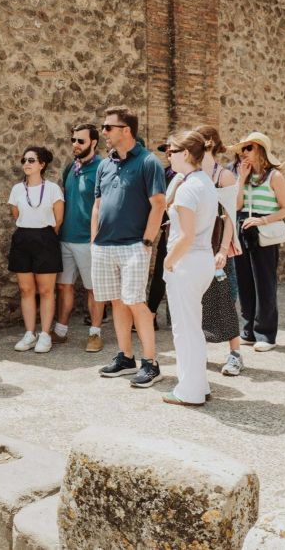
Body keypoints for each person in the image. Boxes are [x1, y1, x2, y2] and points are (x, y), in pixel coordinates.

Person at [92, 106, 167, 387]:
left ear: (126, 130)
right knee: (116, 301)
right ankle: (126, 357)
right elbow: (97, 206)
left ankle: (151, 363)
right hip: (104, 245)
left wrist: (147, 241)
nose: (104, 132)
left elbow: (159, 204)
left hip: (134, 244)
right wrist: (94, 241)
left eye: (108, 127)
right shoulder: (104, 164)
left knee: (136, 302)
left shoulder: (149, 162)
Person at [161, 131, 218, 406]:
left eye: (170, 150)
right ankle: (198, 384)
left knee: (185, 329)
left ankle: (190, 390)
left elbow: (186, 235)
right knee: (191, 326)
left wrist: (168, 261)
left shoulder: (187, 188)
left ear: (185, 154)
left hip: (186, 261)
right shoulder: (204, 181)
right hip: (202, 260)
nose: (167, 155)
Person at [232, 132, 285, 352]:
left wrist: (262, 219)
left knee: (264, 284)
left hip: (264, 232)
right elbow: (237, 206)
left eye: (248, 148)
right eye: (242, 149)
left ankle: (266, 334)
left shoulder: (274, 176)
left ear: (260, 150)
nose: (243, 153)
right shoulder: (243, 176)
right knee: (245, 282)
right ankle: (248, 331)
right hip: (243, 230)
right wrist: (240, 179)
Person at [195, 125, 244, 376]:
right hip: (196, 245)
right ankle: (197, 351)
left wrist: (223, 250)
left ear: (209, 144)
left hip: (216, 245)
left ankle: (235, 353)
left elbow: (229, 217)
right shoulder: (191, 174)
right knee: (199, 301)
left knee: (224, 299)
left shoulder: (222, 176)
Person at [54, 124, 107, 352]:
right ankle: (60, 331)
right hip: (65, 239)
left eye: (81, 141)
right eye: (73, 140)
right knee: (64, 287)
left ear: (94, 143)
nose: (75, 144)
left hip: (89, 241)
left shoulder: (102, 168)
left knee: (94, 289)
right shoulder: (70, 168)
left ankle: (95, 333)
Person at [10, 146, 65, 353]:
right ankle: (29, 333)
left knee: (46, 290)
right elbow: (16, 215)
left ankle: (45, 335)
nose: (26, 164)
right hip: (23, 238)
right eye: (24, 160)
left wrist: (44, 234)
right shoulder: (17, 189)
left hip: (46, 238)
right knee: (26, 290)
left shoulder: (52, 189)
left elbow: (58, 219)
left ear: (42, 165)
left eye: (31, 160)